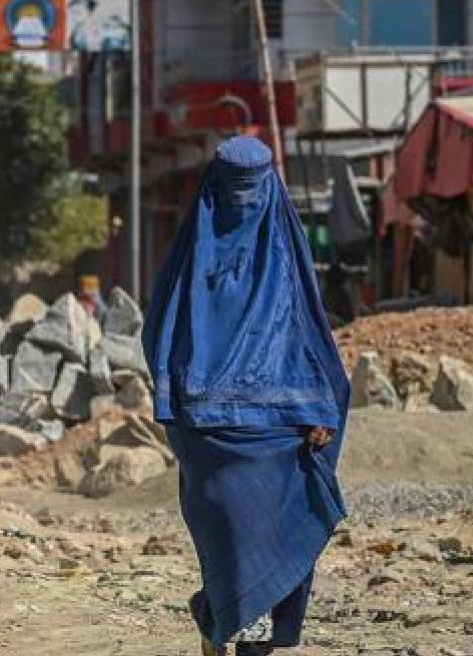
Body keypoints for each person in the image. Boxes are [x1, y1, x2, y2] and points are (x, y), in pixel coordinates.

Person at [142, 137, 350, 655]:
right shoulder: (194, 258)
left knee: (277, 537)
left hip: (277, 430)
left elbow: (308, 338)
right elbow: (160, 339)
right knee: (231, 541)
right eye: (236, 188)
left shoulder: (283, 258)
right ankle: (226, 620)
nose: (244, 200)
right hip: (208, 431)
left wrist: (318, 408)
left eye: (251, 188)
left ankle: (227, 623)